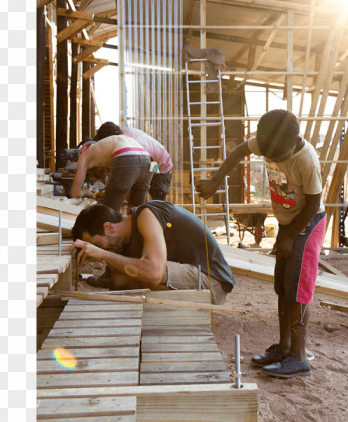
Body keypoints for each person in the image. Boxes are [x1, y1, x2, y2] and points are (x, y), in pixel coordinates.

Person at [196, 109, 325, 378]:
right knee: (282, 285)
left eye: (279, 157)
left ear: (294, 141)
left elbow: (313, 204)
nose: (273, 160)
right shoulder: (270, 140)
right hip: (288, 223)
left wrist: (291, 236)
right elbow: (238, 152)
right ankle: (285, 347)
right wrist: (216, 180)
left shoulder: (307, 160)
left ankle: (299, 358)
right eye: (269, 157)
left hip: (308, 224)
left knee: (298, 289)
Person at [69, 201, 235, 305]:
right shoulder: (126, 241)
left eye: (98, 244)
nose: (101, 249)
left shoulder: (146, 215)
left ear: (109, 228)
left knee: (149, 270)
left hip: (213, 284)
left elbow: (155, 273)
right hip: (194, 280)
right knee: (120, 280)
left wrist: (103, 255)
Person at [69, 134, 153, 212]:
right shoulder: (104, 148)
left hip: (126, 156)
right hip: (147, 159)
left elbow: (74, 193)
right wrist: (106, 195)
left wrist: (85, 192)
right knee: (135, 210)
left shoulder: (83, 155)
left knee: (108, 212)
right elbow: (125, 195)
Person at [94, 122, 174, 201]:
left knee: (157, 199)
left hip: (160, 167)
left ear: (111, 139)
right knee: (136, 194)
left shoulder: (135, 145)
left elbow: (148, 167)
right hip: (149, 161)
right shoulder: (121, 134)